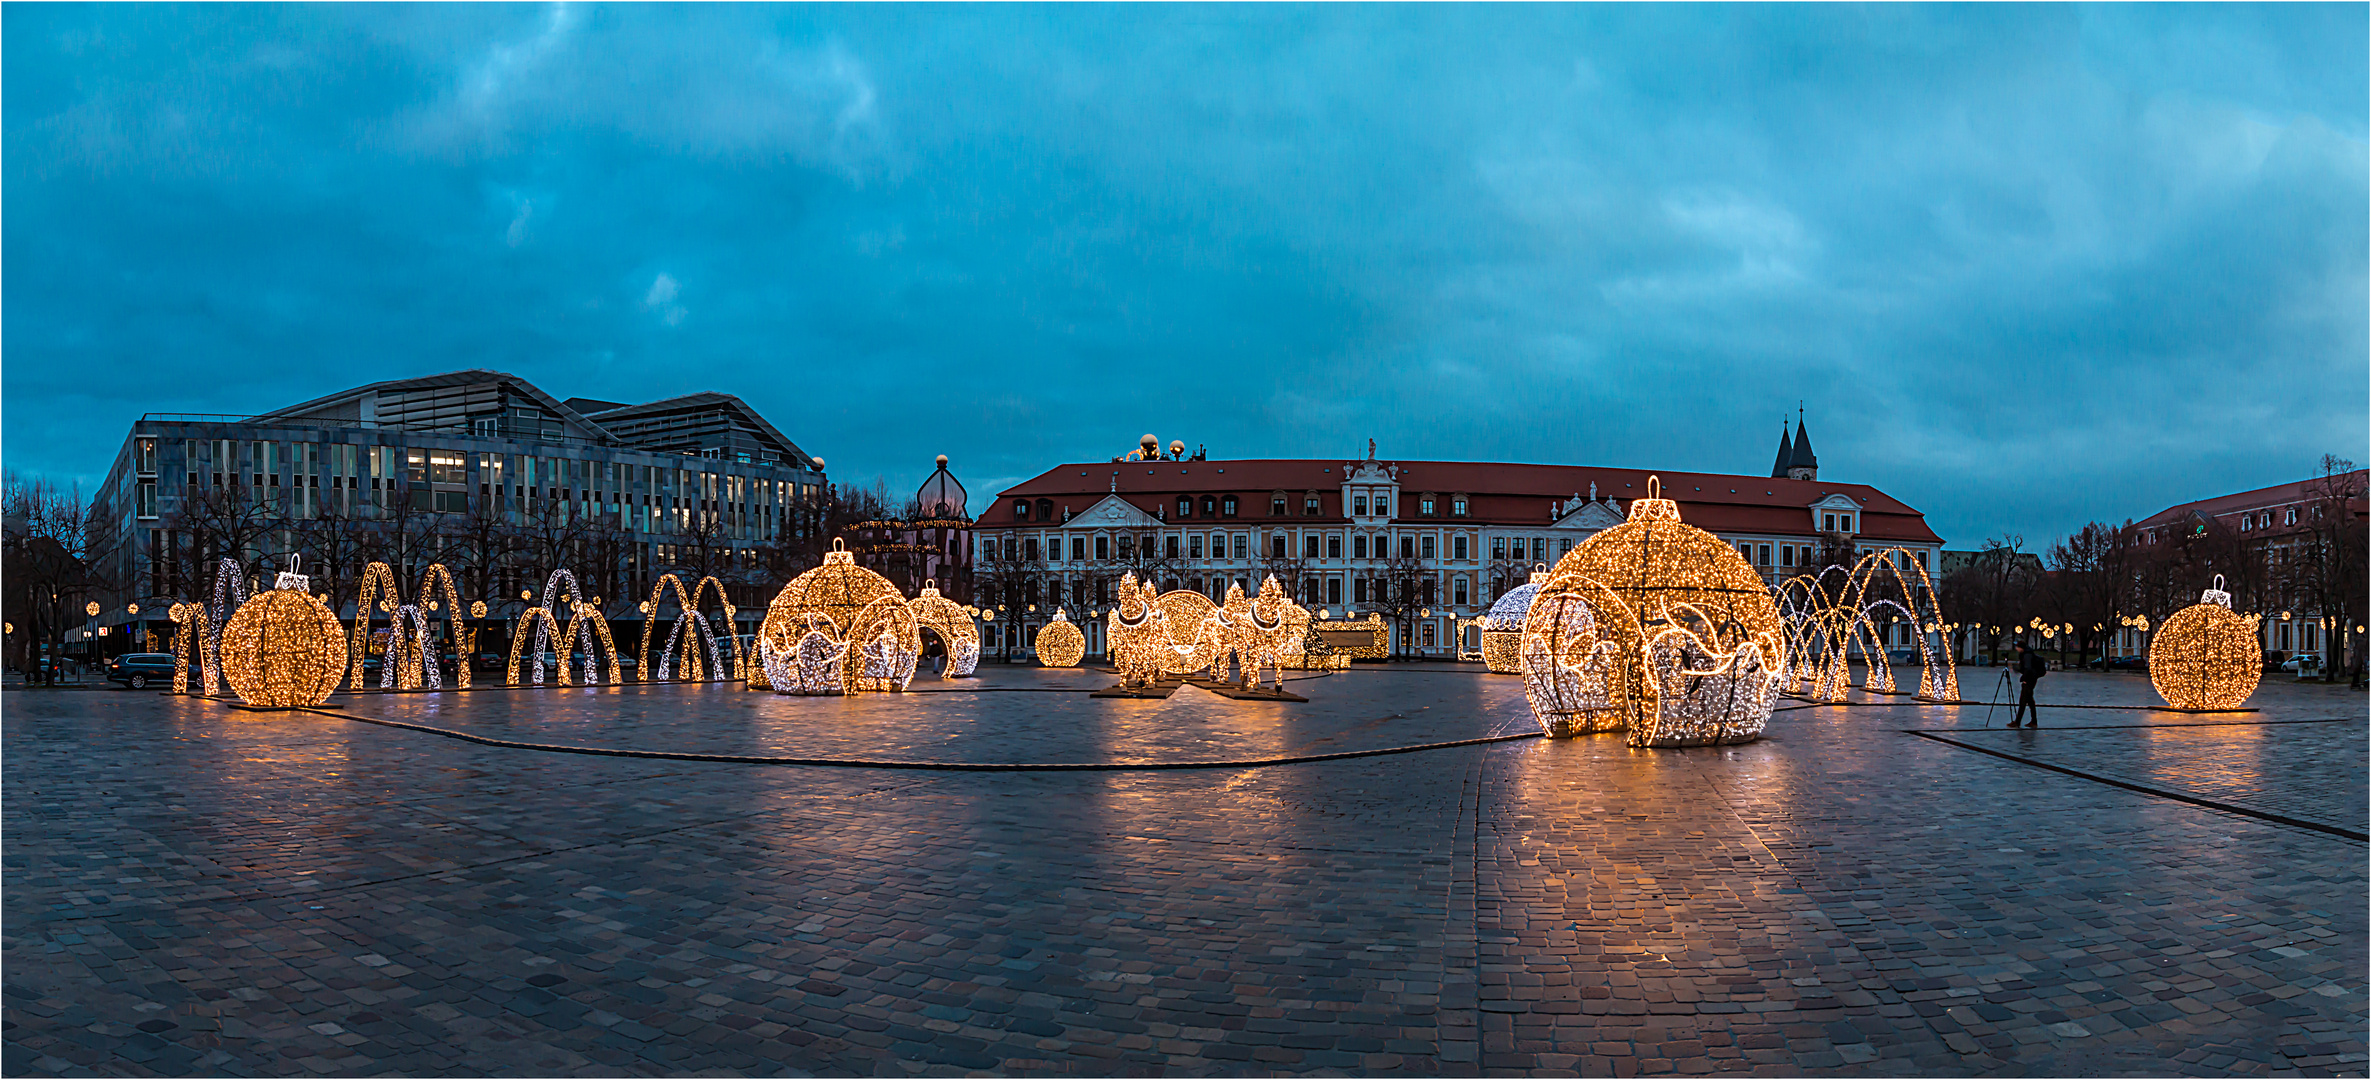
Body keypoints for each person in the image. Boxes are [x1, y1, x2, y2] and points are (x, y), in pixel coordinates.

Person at [2009, 641, 2047, 727]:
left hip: (2029, 679)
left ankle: (2018, 722)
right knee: (2029, 700)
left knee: (2023, 700)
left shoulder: (2027, 655)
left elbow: (2028, 668)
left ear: (2021, 648)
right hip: (2031, 678)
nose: (2016, 649)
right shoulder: (2028, 654)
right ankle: (2033, 721)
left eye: (2017, 647)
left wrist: (2024, 678)